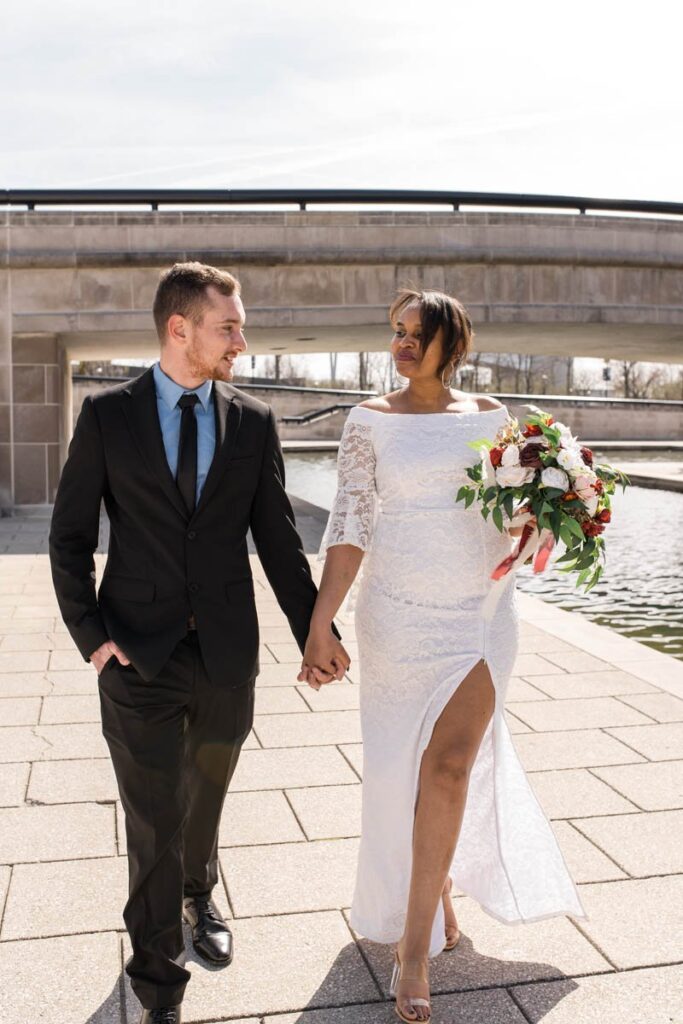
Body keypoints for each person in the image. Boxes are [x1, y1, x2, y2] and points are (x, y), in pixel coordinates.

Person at [49, 262, 348, 1024]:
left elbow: (278, 540)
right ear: (179, 329)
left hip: (225, 655)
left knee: (205, 795)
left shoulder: (251, 420)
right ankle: (157, 981)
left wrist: (316, 631)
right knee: (151, 820)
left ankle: (198, 893)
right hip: (134, 654)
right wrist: (93, 639)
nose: (241, 342)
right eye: (229, 327)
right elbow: (69, 536)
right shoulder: (107, 415)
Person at [299, 289, 586, 1024]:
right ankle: (434, 891)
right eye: (395, 332)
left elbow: (514, 509)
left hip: (482, 617)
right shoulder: (366, 422)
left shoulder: (492, 418)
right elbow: (351, 519)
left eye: (415, 334)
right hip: (395, 617)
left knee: (450, 765)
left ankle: (414, 951)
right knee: (404, 767)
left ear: (450, 345)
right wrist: (320, 622)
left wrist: (542, 520)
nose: (400, 344)